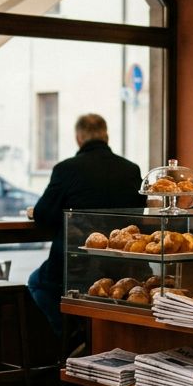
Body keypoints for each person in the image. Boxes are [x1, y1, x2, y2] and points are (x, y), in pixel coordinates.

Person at [29, 114, 144, 335]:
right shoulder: (130, 169)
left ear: (79, 138)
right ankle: (90, 337)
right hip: (123, 268)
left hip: (75, 268)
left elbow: (43, 215)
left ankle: (71, 338)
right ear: (106, 136)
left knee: (37, 282)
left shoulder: (66, 169)